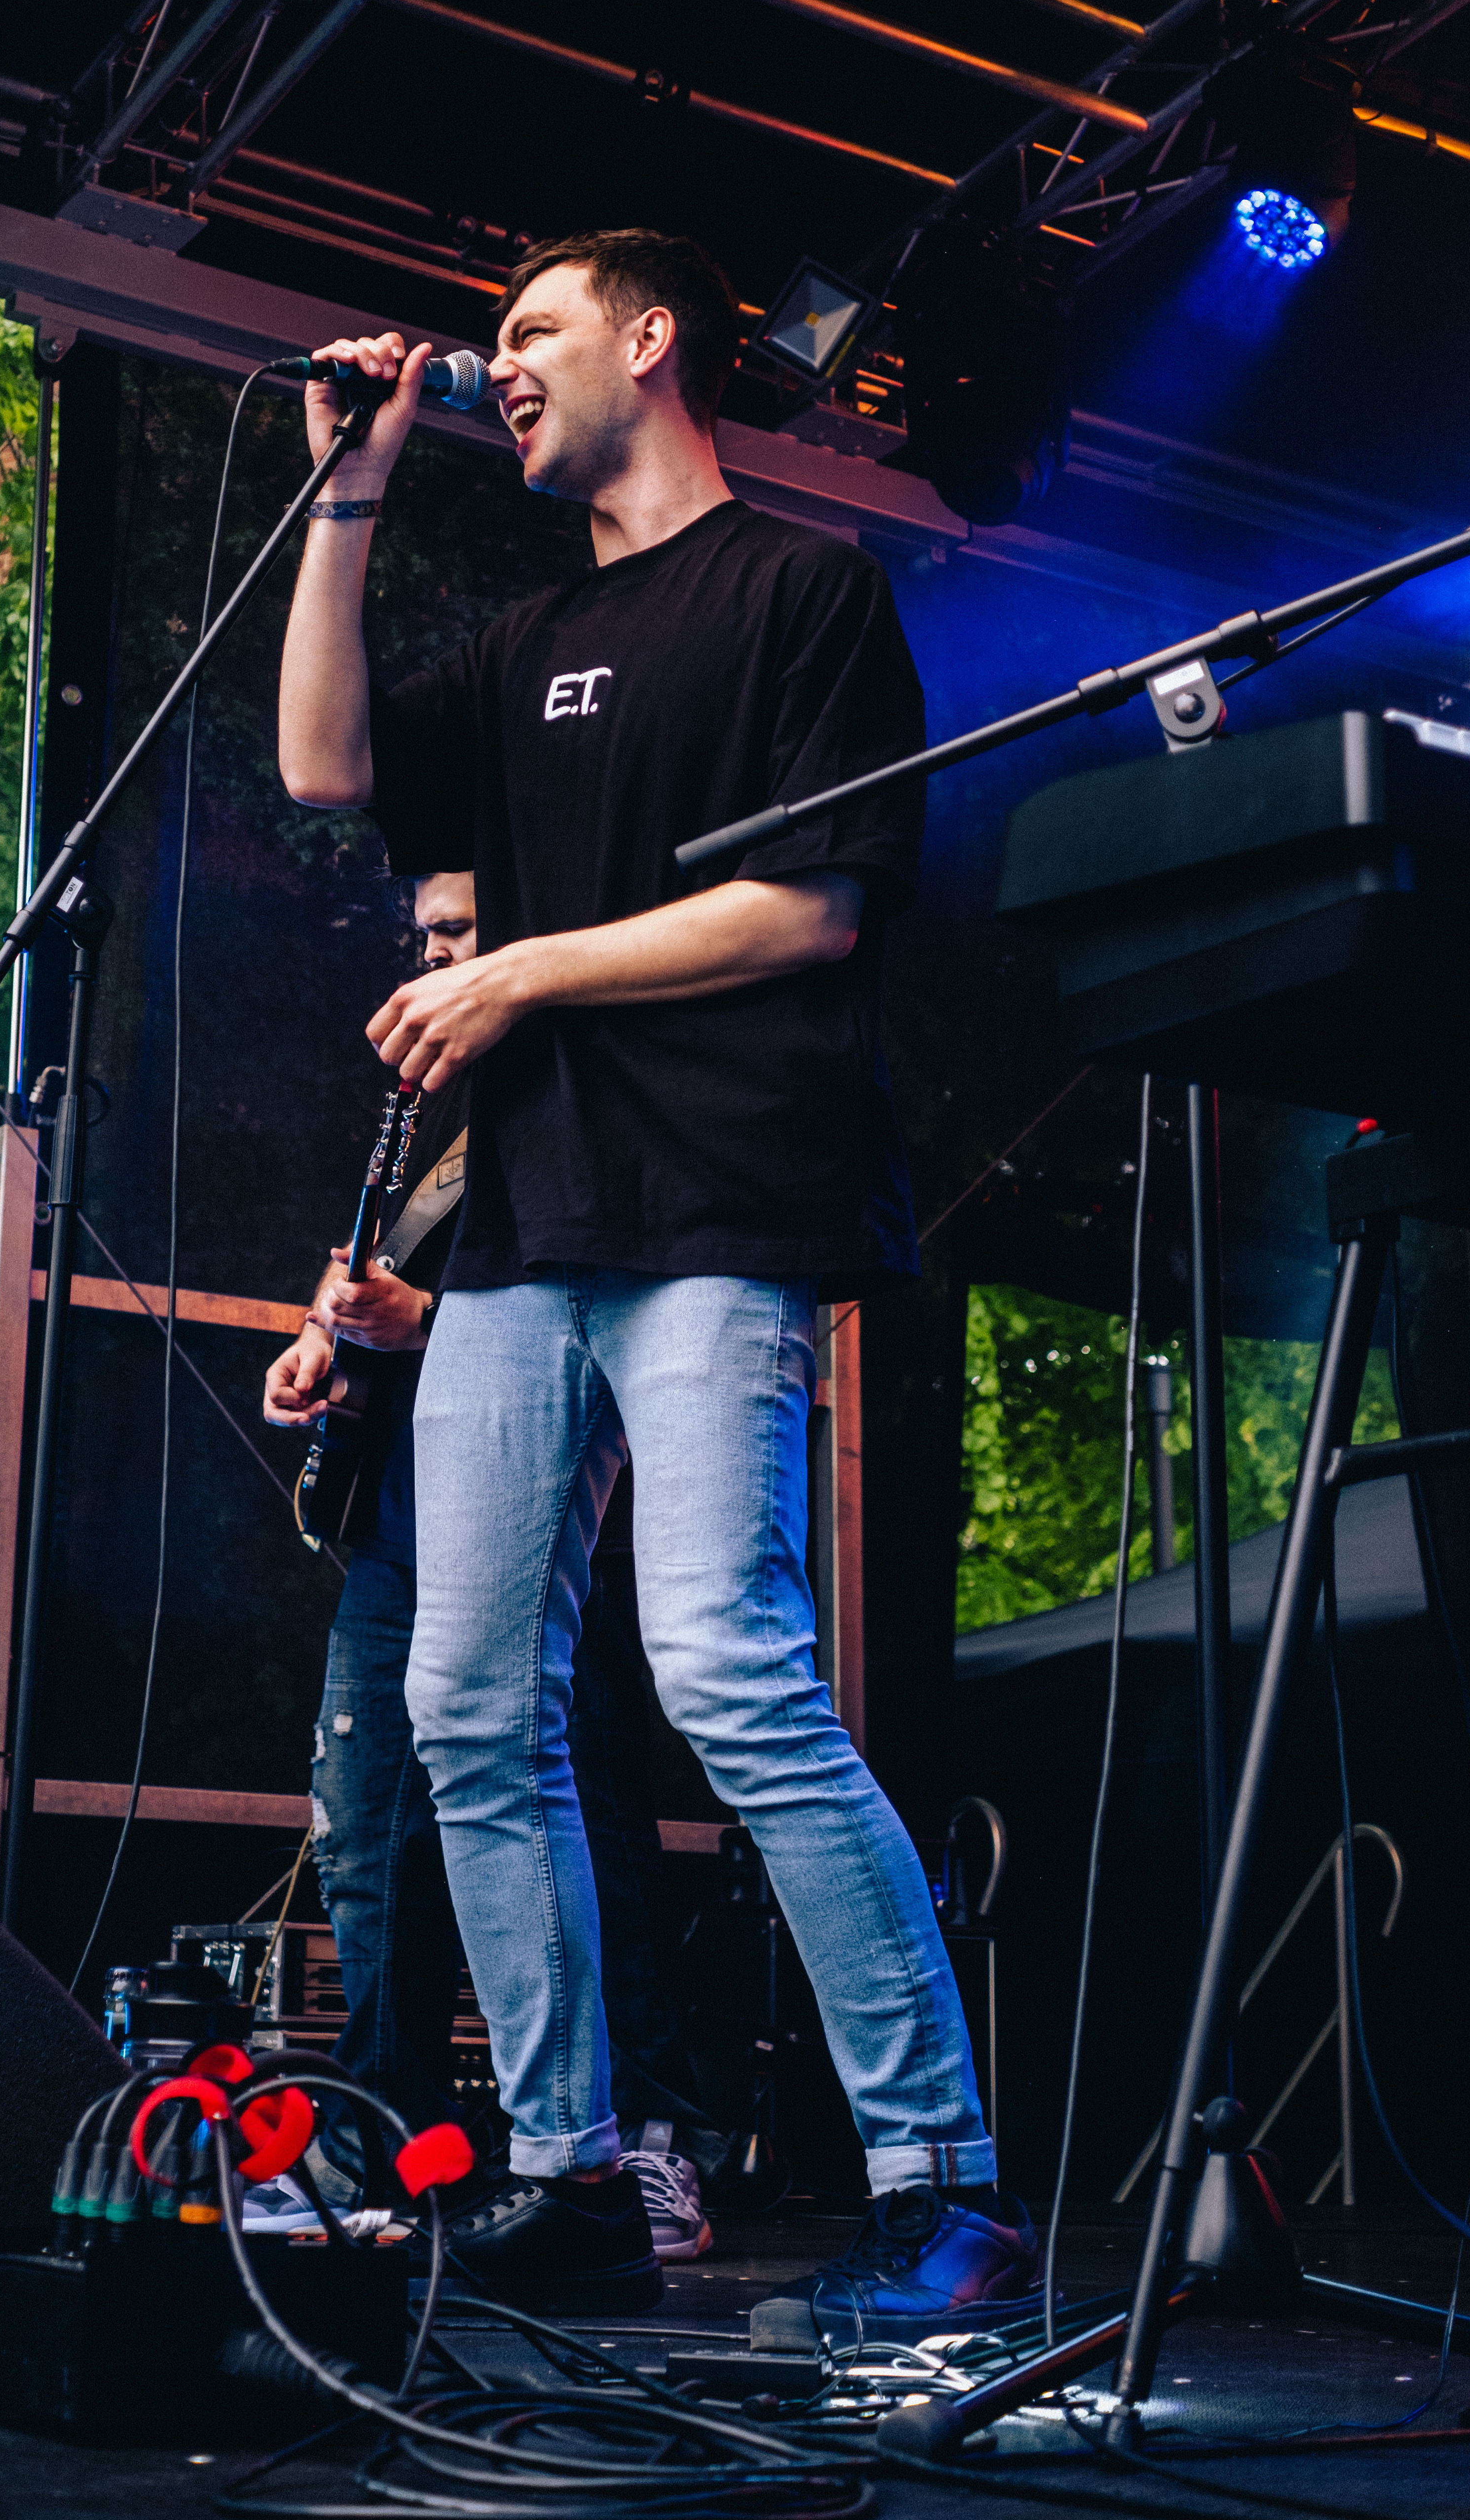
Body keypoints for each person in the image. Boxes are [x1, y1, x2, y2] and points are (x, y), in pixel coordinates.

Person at [274, 229, 1038, 2336]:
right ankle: (572, 2169)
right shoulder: (524, 640)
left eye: (531, 329)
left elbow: (810, 911)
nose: (501, 362)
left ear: (650, 336)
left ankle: (943, 2185)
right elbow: (324, 764)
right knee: (461, 1703)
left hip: (720, 1204)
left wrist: (525, 970)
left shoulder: (799, 589)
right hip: (522, 1234)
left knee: (723, 1666)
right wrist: (349, 488)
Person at [264, 870, 744, 2266]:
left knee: (581, 1822)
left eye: (460, 931)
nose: (433, 958)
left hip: (542, 1523)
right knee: (370, 1840)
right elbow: (376, 1291)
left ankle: (646, 2145)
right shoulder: (439, 1134)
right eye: (424, 935)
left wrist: (427, 1322)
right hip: (400, 1523)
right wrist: (325, 1342)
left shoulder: (595, 1099)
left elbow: (609, 1322)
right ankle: (387, 2149)